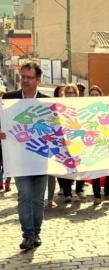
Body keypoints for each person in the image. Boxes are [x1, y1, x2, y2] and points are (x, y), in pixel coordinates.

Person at [0, 62, 49, 250]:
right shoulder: (9, 99)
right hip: (18, 160)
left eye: (29, 77)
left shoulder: (46, 102)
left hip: (40, 158)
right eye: (23, 77)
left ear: (38, 80)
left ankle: (36, 233)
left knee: (38, 199)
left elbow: (56, 129)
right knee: (24, 195)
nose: (25, 81)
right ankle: (28, 234)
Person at [87, 85, 109, 205]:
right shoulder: (86, 109)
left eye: (96, 94)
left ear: (100, 95)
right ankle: (97, 196)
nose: (94, 96)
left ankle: (107, 194)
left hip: (106, 143)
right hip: (93, 144)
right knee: (95, 170)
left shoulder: (105, 109)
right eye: (92, 94)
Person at [57, 84, 86, 203]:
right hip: (65, 141)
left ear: (76, 93)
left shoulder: (81, 106)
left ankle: (79, 189)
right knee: (66, 166)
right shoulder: (60, 107)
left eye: (72, 92)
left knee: (81, 165)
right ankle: (68, 193)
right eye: (67, 92)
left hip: (78, 140)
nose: (70, 95)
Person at [46, 85, 65, 208]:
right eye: (61, 92)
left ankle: (63, 190)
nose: (63, 94)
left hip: (64, 144)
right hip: (52, 145)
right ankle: (49, 198)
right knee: (50, 173)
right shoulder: (51, 107)